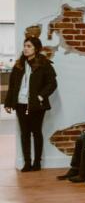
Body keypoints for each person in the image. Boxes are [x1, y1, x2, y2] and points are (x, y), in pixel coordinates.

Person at [3, 36, 57, 172]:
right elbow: (13, 85)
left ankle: (37, 162)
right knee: (24, 133)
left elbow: (52, 83)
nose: (25, 49)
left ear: (36, 48)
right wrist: (8, 102)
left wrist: (40, 96)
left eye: (29, 46)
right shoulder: (19, 64)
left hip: (36, 105)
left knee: (36, 132)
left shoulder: (44, 63)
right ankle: (27, 162)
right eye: (25, 46)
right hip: (21, 104)